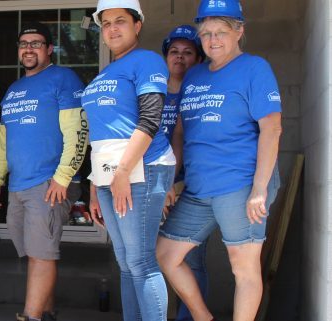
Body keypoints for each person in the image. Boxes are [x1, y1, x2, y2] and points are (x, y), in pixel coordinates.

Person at [157, 1, 282, 320]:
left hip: (239, 184)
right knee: (166, 254)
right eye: (206, 33)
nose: (213, 40)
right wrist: (172, 180)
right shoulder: (195, 74)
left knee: (243, 267)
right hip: (198, 189)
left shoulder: (254, 68)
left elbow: (272, 128)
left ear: (239, 31)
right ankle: (203, 317)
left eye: (221, 32)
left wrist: (259, 188)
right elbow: (181, 133)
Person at [0, 22, 88, 321]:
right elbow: (4, 143)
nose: (29, 48)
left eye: (36, 43)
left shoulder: (63, 79)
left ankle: (31, 317)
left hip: (49, 182)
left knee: (41, 254)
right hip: (18, 185)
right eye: (24, 43)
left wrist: (63, 177)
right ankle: (47, 312)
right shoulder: (14, 89)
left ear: (49, 48)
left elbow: (79, 132)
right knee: (33, 254)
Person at [80, 0, 175, 320]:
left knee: (141, 260)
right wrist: (95, 184)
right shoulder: (107, 72)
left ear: (138, 25)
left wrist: (121, 172)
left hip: (143, 167)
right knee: (125, 261)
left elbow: (150, 119)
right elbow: (100, 134)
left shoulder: (147, 61)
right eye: (106, 23)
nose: (112, 28)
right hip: (109, 174)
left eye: (120, 21)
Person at [158, 25, 207, 321]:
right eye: (174, 52)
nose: (180, 57)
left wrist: (178, 183)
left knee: (192, 261)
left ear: (198, 59)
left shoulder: (203, 92)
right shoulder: (154, 92)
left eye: (188, 52)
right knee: (155, 260)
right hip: (155, 186)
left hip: (193, 187)